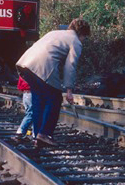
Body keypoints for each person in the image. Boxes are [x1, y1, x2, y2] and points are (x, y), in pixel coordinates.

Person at [15, 18, 90, 147]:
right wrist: (69, 89)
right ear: (82, 34)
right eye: (85, 37)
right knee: (54, 99)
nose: (84, 40)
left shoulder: (54, 33)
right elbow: (70, 66)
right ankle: (45, 134)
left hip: (25, 64)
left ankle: (37, 136)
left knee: (38, 101)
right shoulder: (75, 41)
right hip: (42, 67)